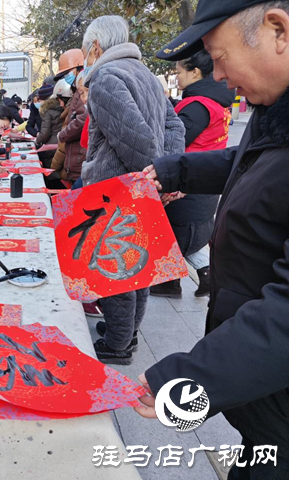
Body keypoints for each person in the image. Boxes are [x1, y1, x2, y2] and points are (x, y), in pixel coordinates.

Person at [135, 1, 289, 476]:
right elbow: (246, 162)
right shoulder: (274, 112)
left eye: (220, 57)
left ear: (277, 30)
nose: (216, 75)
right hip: (263, 385)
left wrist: (187, 382)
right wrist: (172, 170)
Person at [79, 15, 185, 365]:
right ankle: (127, 333)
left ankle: (119, 343)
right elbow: (174, 125)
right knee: (137, 265)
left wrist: (160, 175)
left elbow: (133, 138)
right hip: (141, 186)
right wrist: (168, 169)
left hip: (117, 187)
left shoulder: (107, 77)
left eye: (84, 53)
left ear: (95, 47)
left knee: (115, 269)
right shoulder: (147, 76)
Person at [150, 49, 235, 299]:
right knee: (177, 236)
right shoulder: (215, 104)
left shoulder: (197, 106)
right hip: (203, 184)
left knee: (172, 234)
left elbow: (176, 142)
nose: (176, 78)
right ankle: (173, 282)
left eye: (178, 72)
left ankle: (172, 282)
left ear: (195, 72)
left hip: (187, 185)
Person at [52, 49, 86, 185]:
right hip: (74, 160)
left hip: (79, 160)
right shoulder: (76, 92)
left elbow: (81, 120)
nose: (66, 77)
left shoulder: (82, 92)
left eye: (67, 73)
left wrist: (63, 134)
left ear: (79, 68)